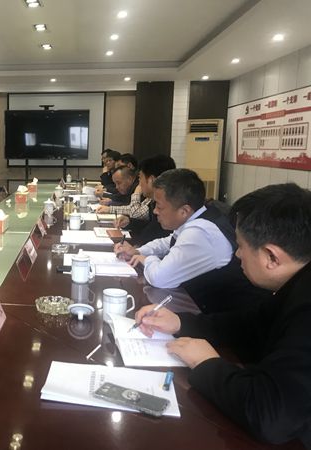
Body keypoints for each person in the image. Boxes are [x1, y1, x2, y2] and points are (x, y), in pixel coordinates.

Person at [134, 183, 311, 447]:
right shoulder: (296, 285)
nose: (237, 255)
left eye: (240, 246)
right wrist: (181, 322)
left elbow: (270, 415)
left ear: (272, 257)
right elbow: (249, 326)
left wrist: (207, 363)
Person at [114, 168, 268, 313]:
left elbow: (159, 278)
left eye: (159, 207)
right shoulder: (199, 217)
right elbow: (169, 241)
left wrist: (146, 259)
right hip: (199, 303)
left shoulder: (201, 232)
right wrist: (137, 251)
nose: (155, 211)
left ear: (184, 211)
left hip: (222, 316)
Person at [115, 154, 175, 245]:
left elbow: (154, 234)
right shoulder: (155, 201)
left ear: (151, 180)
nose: (139, 183)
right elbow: (149, 226)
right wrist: (129, 222)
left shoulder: (167, 206)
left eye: (140, 178)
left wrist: (134, 247)